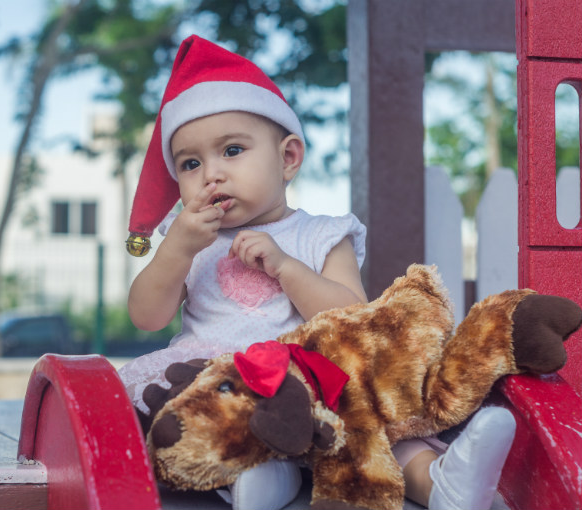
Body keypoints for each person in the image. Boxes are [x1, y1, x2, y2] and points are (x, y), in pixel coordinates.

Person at [119, 34, 515, 510]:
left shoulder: (321, 234)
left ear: (288, 158)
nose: (211, 175)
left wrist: (287, 268)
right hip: (220, 379)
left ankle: (441, 483)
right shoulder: (190, 240)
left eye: (232, 151)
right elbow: (146, 315)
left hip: (310, 381)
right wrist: (175, 251)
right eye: (190, 163)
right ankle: (258, 477)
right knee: (197, 413)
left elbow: (351, 314)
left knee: (376, 426)